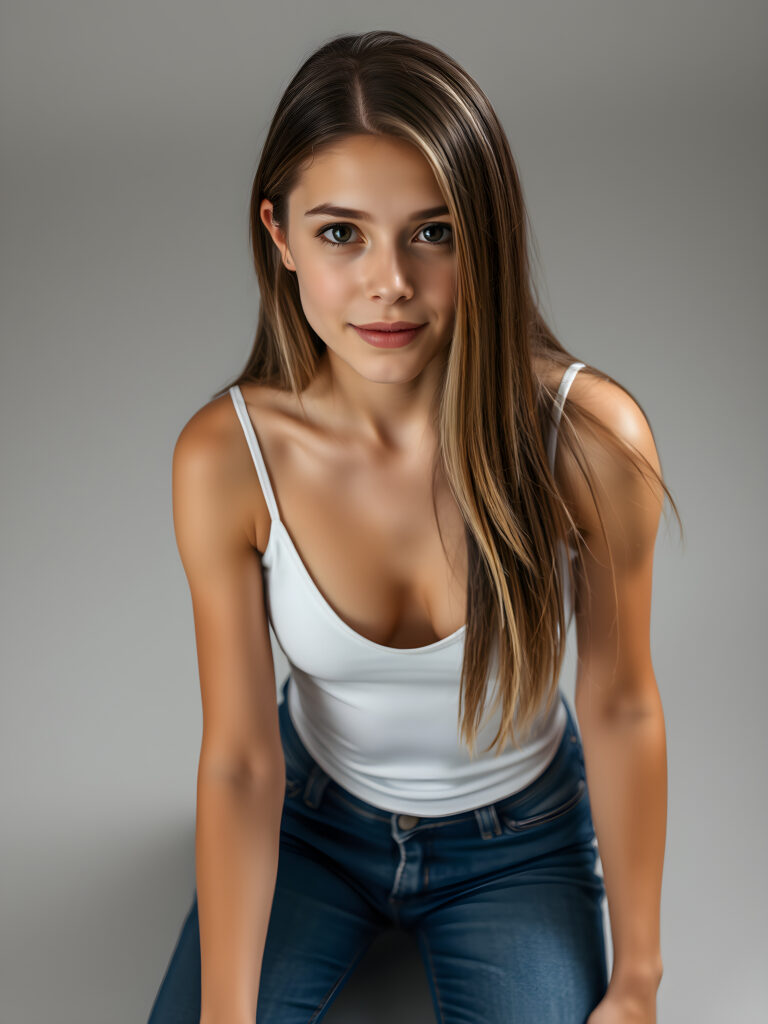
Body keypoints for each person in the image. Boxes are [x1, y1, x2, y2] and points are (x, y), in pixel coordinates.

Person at [147, 30, 676, 1024]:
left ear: (487, 231)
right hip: (308, 823)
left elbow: (620, 705)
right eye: (341, 232)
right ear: (280, 233)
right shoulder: (227, 457)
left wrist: (639, 979)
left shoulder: (590, 440)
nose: (388, 280)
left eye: (432, 231)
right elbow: (241, 757)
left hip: (519, 845)